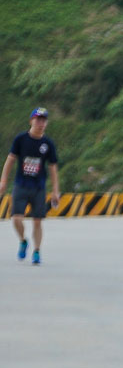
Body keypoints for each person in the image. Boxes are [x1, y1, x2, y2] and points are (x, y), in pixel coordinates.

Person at [1, 108, 59, 266]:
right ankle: (23, 241)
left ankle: (37, 251)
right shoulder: (21, 139)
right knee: (16, 219)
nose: (40, 123)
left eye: (43, 120)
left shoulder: (48, 144)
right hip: (21, 185)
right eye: (38, 119)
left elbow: (53, 167)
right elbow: (10, 160)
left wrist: (55, 191)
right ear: (31, 121)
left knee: (37, 222)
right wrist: (3, 181)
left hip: (39, 187)